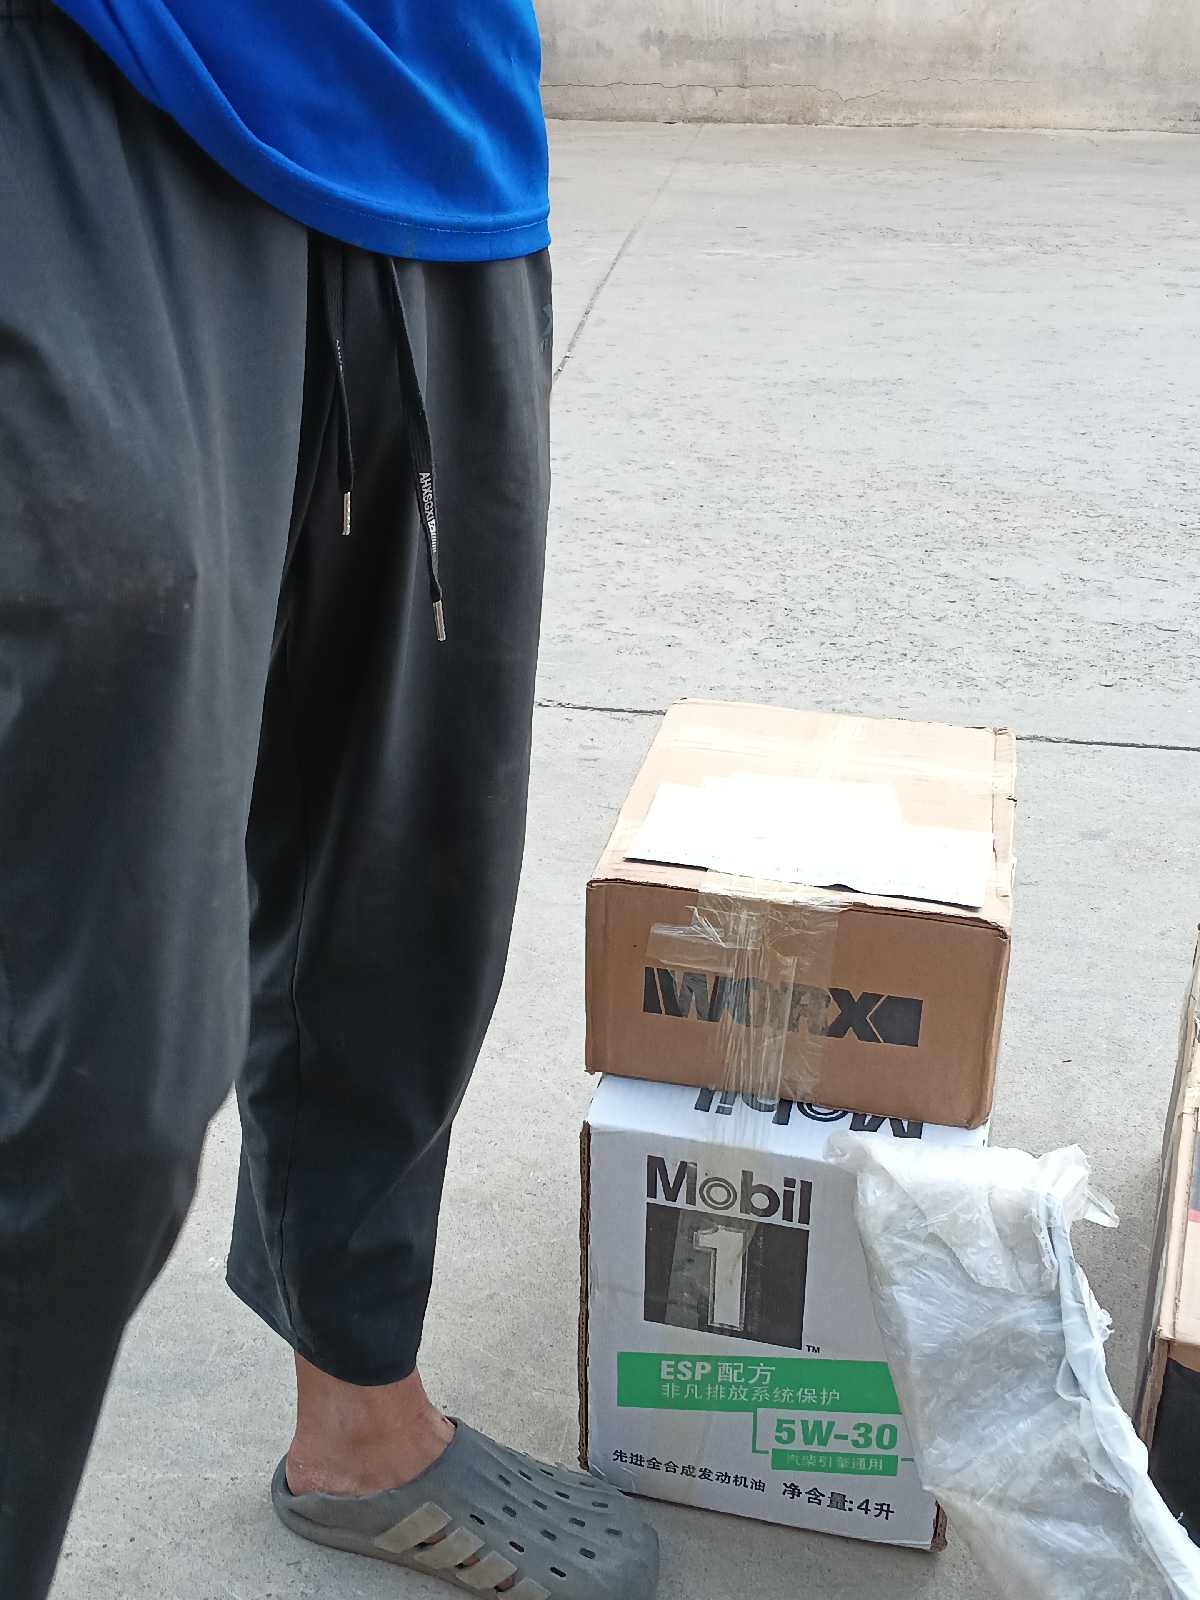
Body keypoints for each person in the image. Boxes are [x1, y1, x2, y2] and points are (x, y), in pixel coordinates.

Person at [0, 5, 659, 1598]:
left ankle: (363, 1418)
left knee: (414, 872)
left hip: (439, 118)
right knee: (92, 1066)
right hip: (87, 75)